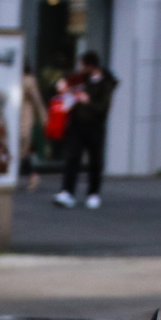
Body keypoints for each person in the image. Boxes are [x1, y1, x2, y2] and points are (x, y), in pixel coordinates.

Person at [53, 51, 117, 209]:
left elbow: (103, 108)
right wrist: (65, 89)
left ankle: (93, 193)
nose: (81, 69)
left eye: (83, 65)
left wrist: (87, 101)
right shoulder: (80, 79)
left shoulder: (106, 83)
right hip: (76, 125)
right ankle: (67, 192)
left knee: (95, 161)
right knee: (72, 157)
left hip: (95, 126)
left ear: (91, 66)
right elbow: (68, 86)